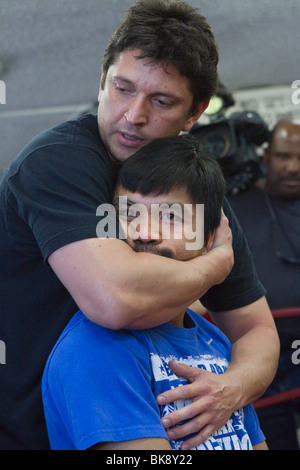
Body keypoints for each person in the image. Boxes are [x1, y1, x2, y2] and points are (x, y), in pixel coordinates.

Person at [0, 0, 279, 450]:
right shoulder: (58, 162)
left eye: (161, 100)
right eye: (122, 88)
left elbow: (256, 330)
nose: (133, 115)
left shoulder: (192, 185)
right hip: (31, 427)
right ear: (102, 79)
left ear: (196, 112)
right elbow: (116, 302)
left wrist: (231, 389)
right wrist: (215, 265)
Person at [42, 135, 268, 451]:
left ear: (207, 238)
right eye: (129, 214)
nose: (144, 232)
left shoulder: (213, 340)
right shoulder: (96, 347)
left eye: (170, 217)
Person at [228, 118, 300, 449]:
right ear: (267, 156)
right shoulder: (236, 205)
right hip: (262, 357)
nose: (293, 168)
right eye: (284, 156)